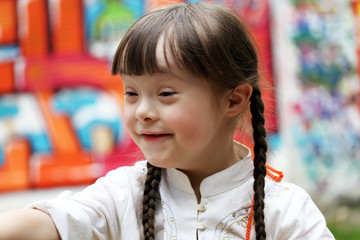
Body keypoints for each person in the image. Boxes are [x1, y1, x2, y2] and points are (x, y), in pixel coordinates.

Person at [0, 2, 335, 240]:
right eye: (131, 93)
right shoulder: (122, 195)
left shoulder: (286, 210)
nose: (143, 111)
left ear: (233, 99)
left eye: (165, 93)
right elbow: (45, 224)